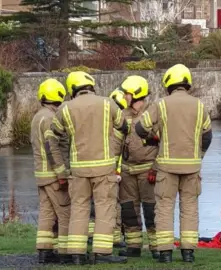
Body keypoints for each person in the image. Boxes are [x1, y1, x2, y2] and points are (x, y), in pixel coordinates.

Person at [46, 71, 129, 265]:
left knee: (79, 209)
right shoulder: (108, 104)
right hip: (104, 168)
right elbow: (123, 126)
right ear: (91, 86)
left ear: (72, 89)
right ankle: (102, 253)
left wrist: (60, 168)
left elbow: (52, 138)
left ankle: (76, 253)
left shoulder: (65, 108)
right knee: (105, 209)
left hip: (78, 170)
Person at [135, 64, 213, 263]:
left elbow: (140, 128)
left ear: (168, 83)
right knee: (189, 208)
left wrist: (154, 137)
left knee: (164, 208)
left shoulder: (161, 105)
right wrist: (199, 156)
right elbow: (207, 136)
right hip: (192, 167)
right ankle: (188, 252)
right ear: (187, 83)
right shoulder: (199, 105)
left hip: (166, 167)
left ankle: (165, 253)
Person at [114, 75, 159, 259]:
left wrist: (156, 167)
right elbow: (115, 143)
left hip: (148, 171)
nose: (124, 97)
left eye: (127, 94)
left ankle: (157, 247)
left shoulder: (153, 114)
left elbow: (164, 143)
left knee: (151, 210)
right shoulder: (122, 115)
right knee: (128, 211)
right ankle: (134, 246)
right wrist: (112, 166)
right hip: (127, 171)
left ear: (137, 94)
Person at [31, 78, 72, 264]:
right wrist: (62, 174)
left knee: (47, 212)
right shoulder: (50, 118)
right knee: (65, 213)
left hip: (41, 176)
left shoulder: (37, 116)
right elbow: (51, 148)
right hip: (53, 175)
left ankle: (44, 251)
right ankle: (64, 252)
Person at [88, 89, 129, 248]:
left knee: (96, 204)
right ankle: (114, 237)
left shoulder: (100, 122)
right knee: (112, 205)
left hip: (98, 169)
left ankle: (92, 235)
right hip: (113, 171)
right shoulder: (120, 125)